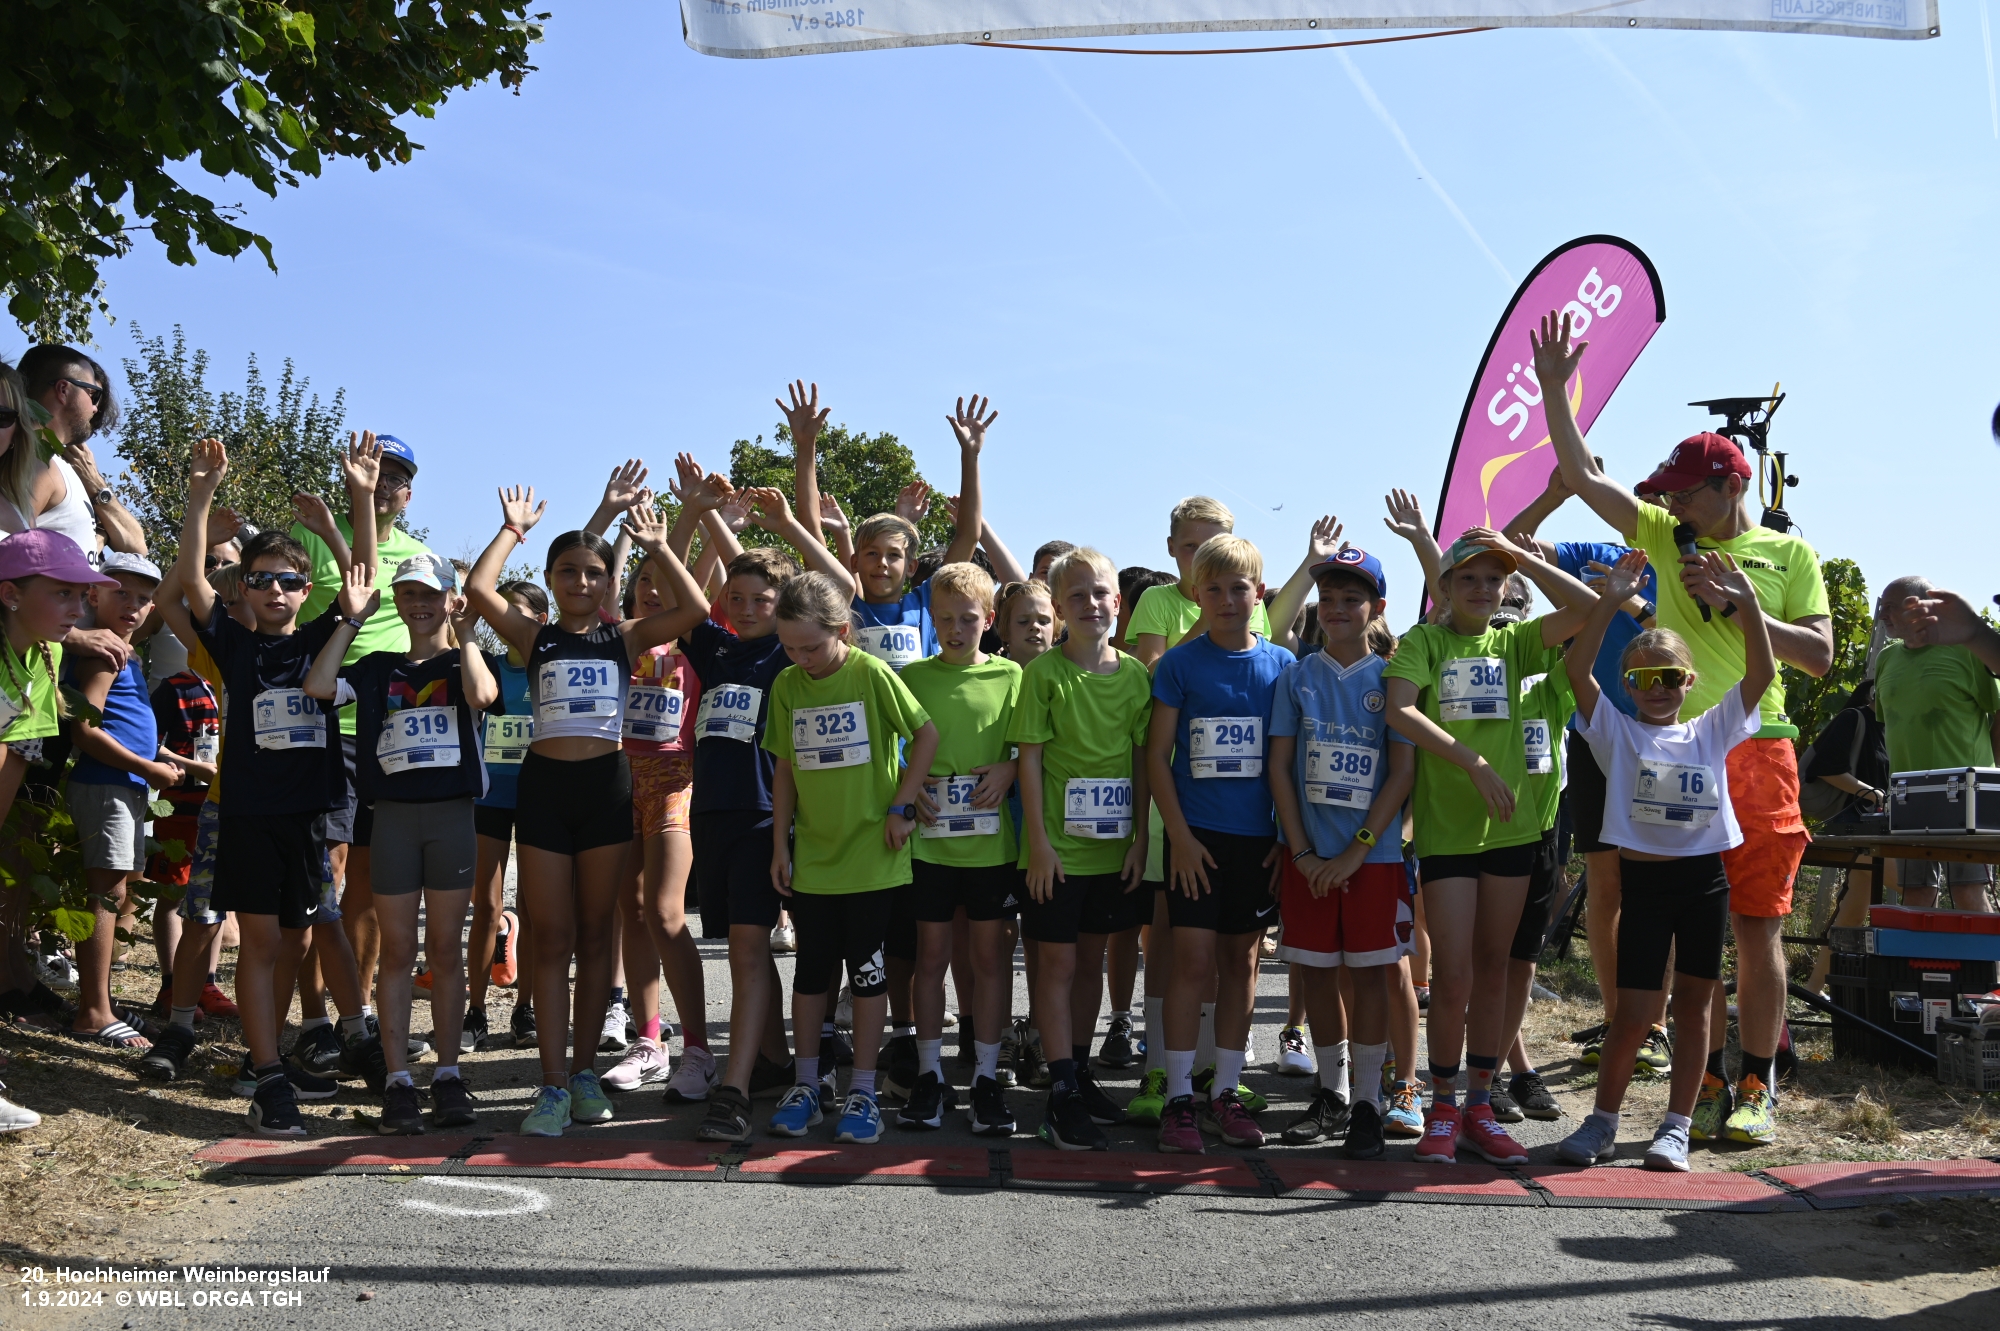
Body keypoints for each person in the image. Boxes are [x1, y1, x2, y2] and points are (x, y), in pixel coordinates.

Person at [1534, 310, 1833, 1148]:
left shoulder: (1790, 555)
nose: (1671, 504)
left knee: (1757, 925)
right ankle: (1696, 1083)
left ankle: (1757, 1081)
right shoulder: (1666, 535)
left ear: (1733, 485)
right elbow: (1581, 475)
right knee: (1673, 921)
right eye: (1666, 494)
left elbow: (1818, 656)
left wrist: (1742, 607)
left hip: (1757, 744)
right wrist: (1557, 389)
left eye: (1686, 491)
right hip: (1672, 750)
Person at [466, 483, 710, 1138]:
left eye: (594, 572)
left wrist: (660, 545)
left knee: (599, 933)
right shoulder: (533, 635)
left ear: (608, 582)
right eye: (568, 571)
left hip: (607, 788)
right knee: (552, 937)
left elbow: (694, 607)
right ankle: (550, 1083)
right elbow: (480, 590)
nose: (581, 581)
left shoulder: (623, 636)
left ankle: (581, 1074)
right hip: (545, 790)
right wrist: (512, 530)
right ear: (550, 579)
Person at [1381, 527, 1596, 1165]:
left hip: (1513, 828)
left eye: (1494, 579)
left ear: (1507, 589)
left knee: (1495, 968)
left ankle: (1480, 1104)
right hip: (1448, 830)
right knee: (1452, 974)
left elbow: (1587, 608)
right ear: (1445, 587)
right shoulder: (1425, 641)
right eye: (1468, 578)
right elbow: (1399, 710)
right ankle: (1441, 1107)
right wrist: (1472, 761)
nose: (1482, 589)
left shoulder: (1515, 642)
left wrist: (1526, 556)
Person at [1557, 550, 1772, 1171]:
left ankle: (1676, 1127)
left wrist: (1747, 605)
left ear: (1689, 681)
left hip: (1704, 883)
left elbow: (1760, 673)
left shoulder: (1711, 729)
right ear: (1627, 686)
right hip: (1645, 886)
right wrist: (1608, 601)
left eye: (1670, 677)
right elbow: (1577, 670)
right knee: (1633, 1015)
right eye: (1644, 679)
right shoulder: (1615, 732)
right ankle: (1602, 1122)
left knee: (1695, 1007)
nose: (1657, 689)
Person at [665, 455, 859, 1142]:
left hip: (762, 818)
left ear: (785, 610)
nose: (747, 609)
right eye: (738, 598)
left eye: (762, 601)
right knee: (747, 951)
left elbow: (839, 587)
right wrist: (692, 516)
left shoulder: (785, 655)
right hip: (712, 817)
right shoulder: (715, 648)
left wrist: (784, 527)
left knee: (750, 950)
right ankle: (776, 1061)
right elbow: (674, 585)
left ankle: (736, 1090)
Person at [176, 439, 353, 1137]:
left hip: (308, 818)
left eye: (287, 580)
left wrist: (336, 524)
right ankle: (271, 1079)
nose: (274, 590)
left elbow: (360, 583)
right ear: (243, 589)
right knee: (259, 943)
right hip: (248, 815)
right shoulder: (235, 644)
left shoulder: (320, 639)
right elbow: (191, 584)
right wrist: (200, 498)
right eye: (260, 580)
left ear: (305, 590)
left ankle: (268, 1056)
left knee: (297, 941)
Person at [304, 554, 497, 1133]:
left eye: (430, 594)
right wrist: (351, 620)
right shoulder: (376, 667)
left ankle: (448, 1075)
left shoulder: (463, 660)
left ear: (449, 598)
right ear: (397, 600)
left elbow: (483, 696)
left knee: (443, 950)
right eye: (409, 594)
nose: (419, 605)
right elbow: (317, 685)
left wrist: (465, 632)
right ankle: (397, 1081)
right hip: (390, 819)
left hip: (451, 817)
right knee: (397, 950)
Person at [1501, 462, 1672, 1078]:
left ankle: (1656, 1025)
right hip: (1594, 734)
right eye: (1641, 499)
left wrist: (1639, 604)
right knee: (1607, 886)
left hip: (1665, 740)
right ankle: (1619, 1017)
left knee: (1660, 886)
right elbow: (1508, 548)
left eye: (1663, 502)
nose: (1650, 510)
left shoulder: (1693, 565)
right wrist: (1554, 493)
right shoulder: (1595, 553)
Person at [763, 571, 939, 1144]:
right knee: (811, 974)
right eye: (789, 648)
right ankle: (808, 1086)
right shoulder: (787, 684)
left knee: (866, 975)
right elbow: (785, 769)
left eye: (810, 647)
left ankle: (863, 1091)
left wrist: (902, 805)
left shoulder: (871, 673)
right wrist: (781, 843)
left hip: (872, 859)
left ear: (842, 630)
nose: (800, 659)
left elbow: (926, 736)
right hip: (814, 860)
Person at [1146, 535, 1294, 1152]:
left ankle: (1226, 1091)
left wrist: (1285, 839)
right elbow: (1156, 757)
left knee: (1243, 964)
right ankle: (1178, 1097)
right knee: (1192, 963)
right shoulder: (1179, 665)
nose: (1228, 599)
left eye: (1240, 588)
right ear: (1196, 594)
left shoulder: (1282, 665)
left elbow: (1288, 761)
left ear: (1259, 593)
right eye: (1215, 589)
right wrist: (1178, 837)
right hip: (1195, 841)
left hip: (1257, 842)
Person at [1267, 548, 1417, 1158]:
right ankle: (1330, 1094)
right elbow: (1280, 769)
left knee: (1371, 977)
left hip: (1371, 861)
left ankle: (1368, 1105)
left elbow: (1402, 772)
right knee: (1317, 975)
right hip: (1306, 859)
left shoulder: (1393, 677)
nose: (1336, 609)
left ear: (1376, 608)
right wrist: (1302, 852)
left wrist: (1358, 850)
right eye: (1327, 598)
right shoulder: (1297, 676)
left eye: (1351, 599)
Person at [291, 432, 436, 1020]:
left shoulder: (420, 554)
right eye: (376, 470)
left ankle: (363, 1007)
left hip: (390, 732)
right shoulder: (309, 534)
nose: (384, 484)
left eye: (397, 477)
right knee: (327, 871)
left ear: (408, 494)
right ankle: (316, 1016)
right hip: (325, 724)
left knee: (377, 881)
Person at [1011, 547, 1152, 1151]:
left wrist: (1142, 838)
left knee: (1090, 964)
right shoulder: (1044, 675)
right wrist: (1039, 845)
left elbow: (1143, 762)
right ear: (1060, 608)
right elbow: (1029, 762)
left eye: (1100, 593)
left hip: (1113, 852)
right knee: (1058, 966)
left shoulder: (1137, 677)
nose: (1091, 604)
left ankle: (1080, 1069)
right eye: (1077, 596)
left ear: (1118, 603)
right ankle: (1060, 1088)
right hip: (1056, 856)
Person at [896, 562, 1022, 1133]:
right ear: (931, 619)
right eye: (943, 618)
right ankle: (929, 1074)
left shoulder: (1011, 675)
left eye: (967, 618)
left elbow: (1032, 745)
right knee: (931, 959)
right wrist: (909, 788)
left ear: (988, 620)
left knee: (990, 960)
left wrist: (1010, 769)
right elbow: (892, 747)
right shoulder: (913, 677)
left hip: (992, 848)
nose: (954, 628)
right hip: (930, 846)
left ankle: (988, 1077)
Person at [63, 552, 181, 1053]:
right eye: (121, 594)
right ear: (94, 595)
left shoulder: (126, 651)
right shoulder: (103, 653)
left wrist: (174, 763)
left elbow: (128, 727)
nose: (133, 605)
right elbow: (86, 730)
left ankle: (103, 1002)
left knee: (121, 888)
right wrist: (147, 768)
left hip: (125, 785)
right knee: (106, 893)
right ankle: (93, 1012)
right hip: (105, 784)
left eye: (143, 597)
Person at [1872, 576, 1999, 912]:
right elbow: (1892, 726)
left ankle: (1985, 952)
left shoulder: (1967, 652)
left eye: (1891, 607)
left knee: (1969, 893)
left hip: (1966, 794)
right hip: (1909, 794)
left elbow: (1999, 710)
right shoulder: (1886, 659)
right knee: (1916, 896)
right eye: (1882, 606)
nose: (1882, 614)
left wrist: (1992, 776)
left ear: (1918, 607)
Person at [466, 579, 547, 1053]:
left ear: (540, 620)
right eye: (500, 610)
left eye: (515, 611)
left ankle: (525, 1009)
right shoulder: (490, 667)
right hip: (490, 798)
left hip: (539, 798)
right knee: (487, 908)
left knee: (533, 911)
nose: (505, 619)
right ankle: (475, 1011)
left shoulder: (549, 668)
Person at [11, 345, 148, 558]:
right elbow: (9, 548)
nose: (95, 408)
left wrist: (98, 537)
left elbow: (138, 549)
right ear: (63, 390)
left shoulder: (58, 465)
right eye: (93, 394)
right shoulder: (38, 465)